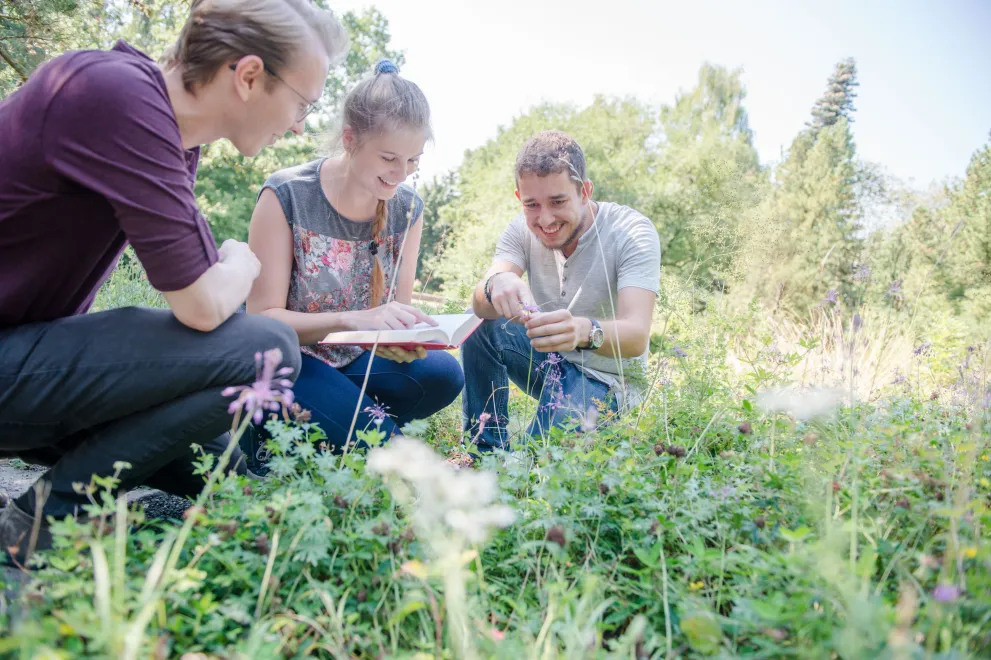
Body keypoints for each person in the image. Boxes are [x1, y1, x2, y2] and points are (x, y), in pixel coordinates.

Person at [0, 0, 349, 564]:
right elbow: (206, 306)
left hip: (22, 357)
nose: (300, 124)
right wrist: (244, 258)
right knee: (270, 351)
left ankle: (87, 495)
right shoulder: (115, 96)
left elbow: (207, 317)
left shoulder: (170, 139)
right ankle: (44, 519)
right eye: (302, 103)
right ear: (250, 76)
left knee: (224, 467)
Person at [243, 59, 464, 467]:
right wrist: (353, 320)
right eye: (389, 158)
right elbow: (261, 321)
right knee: (389, 450)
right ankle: (296, 430)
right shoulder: (287, 194)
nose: (401, 174)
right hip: (289, 360)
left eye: (413, 161)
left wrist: (405, 339)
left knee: (444, 375)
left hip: (354, 358)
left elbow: (395, 313)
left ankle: (332, 424)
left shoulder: (408, 209)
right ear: (350, 139)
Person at [462, 130, 661, 453]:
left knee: (537, 462)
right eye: (532, 205)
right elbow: (479, 306)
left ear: (584, 191)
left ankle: (530, 452)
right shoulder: (520, 230)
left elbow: (637, 335)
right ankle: (483, 449)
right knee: (482, 323)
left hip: (606, 379)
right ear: (519, 199)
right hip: (547, 360)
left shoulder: (631, 232)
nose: (545, 219)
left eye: (558, 202)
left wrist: (583, 331)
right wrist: (495, 283)